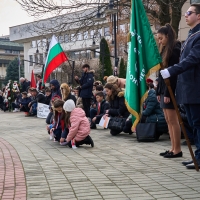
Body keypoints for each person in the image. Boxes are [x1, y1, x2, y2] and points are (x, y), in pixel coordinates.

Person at [160, 4, 200, 169]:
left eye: (189, 13)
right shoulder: (192, 35)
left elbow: (192, 59)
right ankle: (197, 156)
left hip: (195, 88)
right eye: (185, 12)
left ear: (199, 16)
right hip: (187, 90)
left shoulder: (198, 36)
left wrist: (171, 70)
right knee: (193, 124)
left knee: (198, 125)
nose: (185, 15)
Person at [156, 24, 182, 158]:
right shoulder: (164, 50)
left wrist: (166, 93)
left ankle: (177, 149)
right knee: (167, 119)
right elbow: (160, 74)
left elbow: (172, 74)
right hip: (163, 89)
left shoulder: (175, 49)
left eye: (161, 38)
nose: (159, 41)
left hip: (170, 90)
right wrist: (158, 91)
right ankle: (172, 148)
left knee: (173, 120)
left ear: (167, 36)